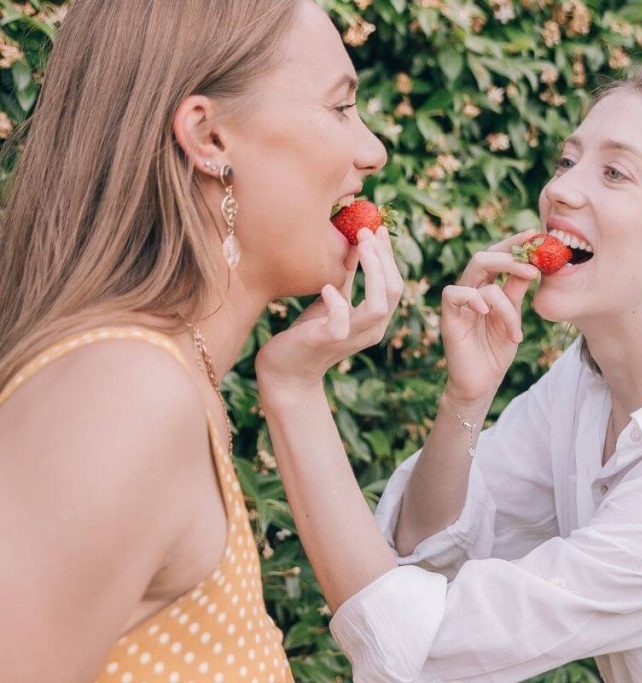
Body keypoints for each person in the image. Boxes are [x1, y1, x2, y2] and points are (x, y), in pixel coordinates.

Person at [254, 60, 642, 681]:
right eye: (568, 161)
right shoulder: (586, 384)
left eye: (614, 172)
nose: (562, 190)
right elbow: (427, 560)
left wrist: (296, 386)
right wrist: (465, 400)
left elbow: (420, 649)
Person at [0, 1, 400, 681]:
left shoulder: (167, 381)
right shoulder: (125, 396)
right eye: (340, 108)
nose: (373, 149)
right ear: (209, 138)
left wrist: (297, 385)